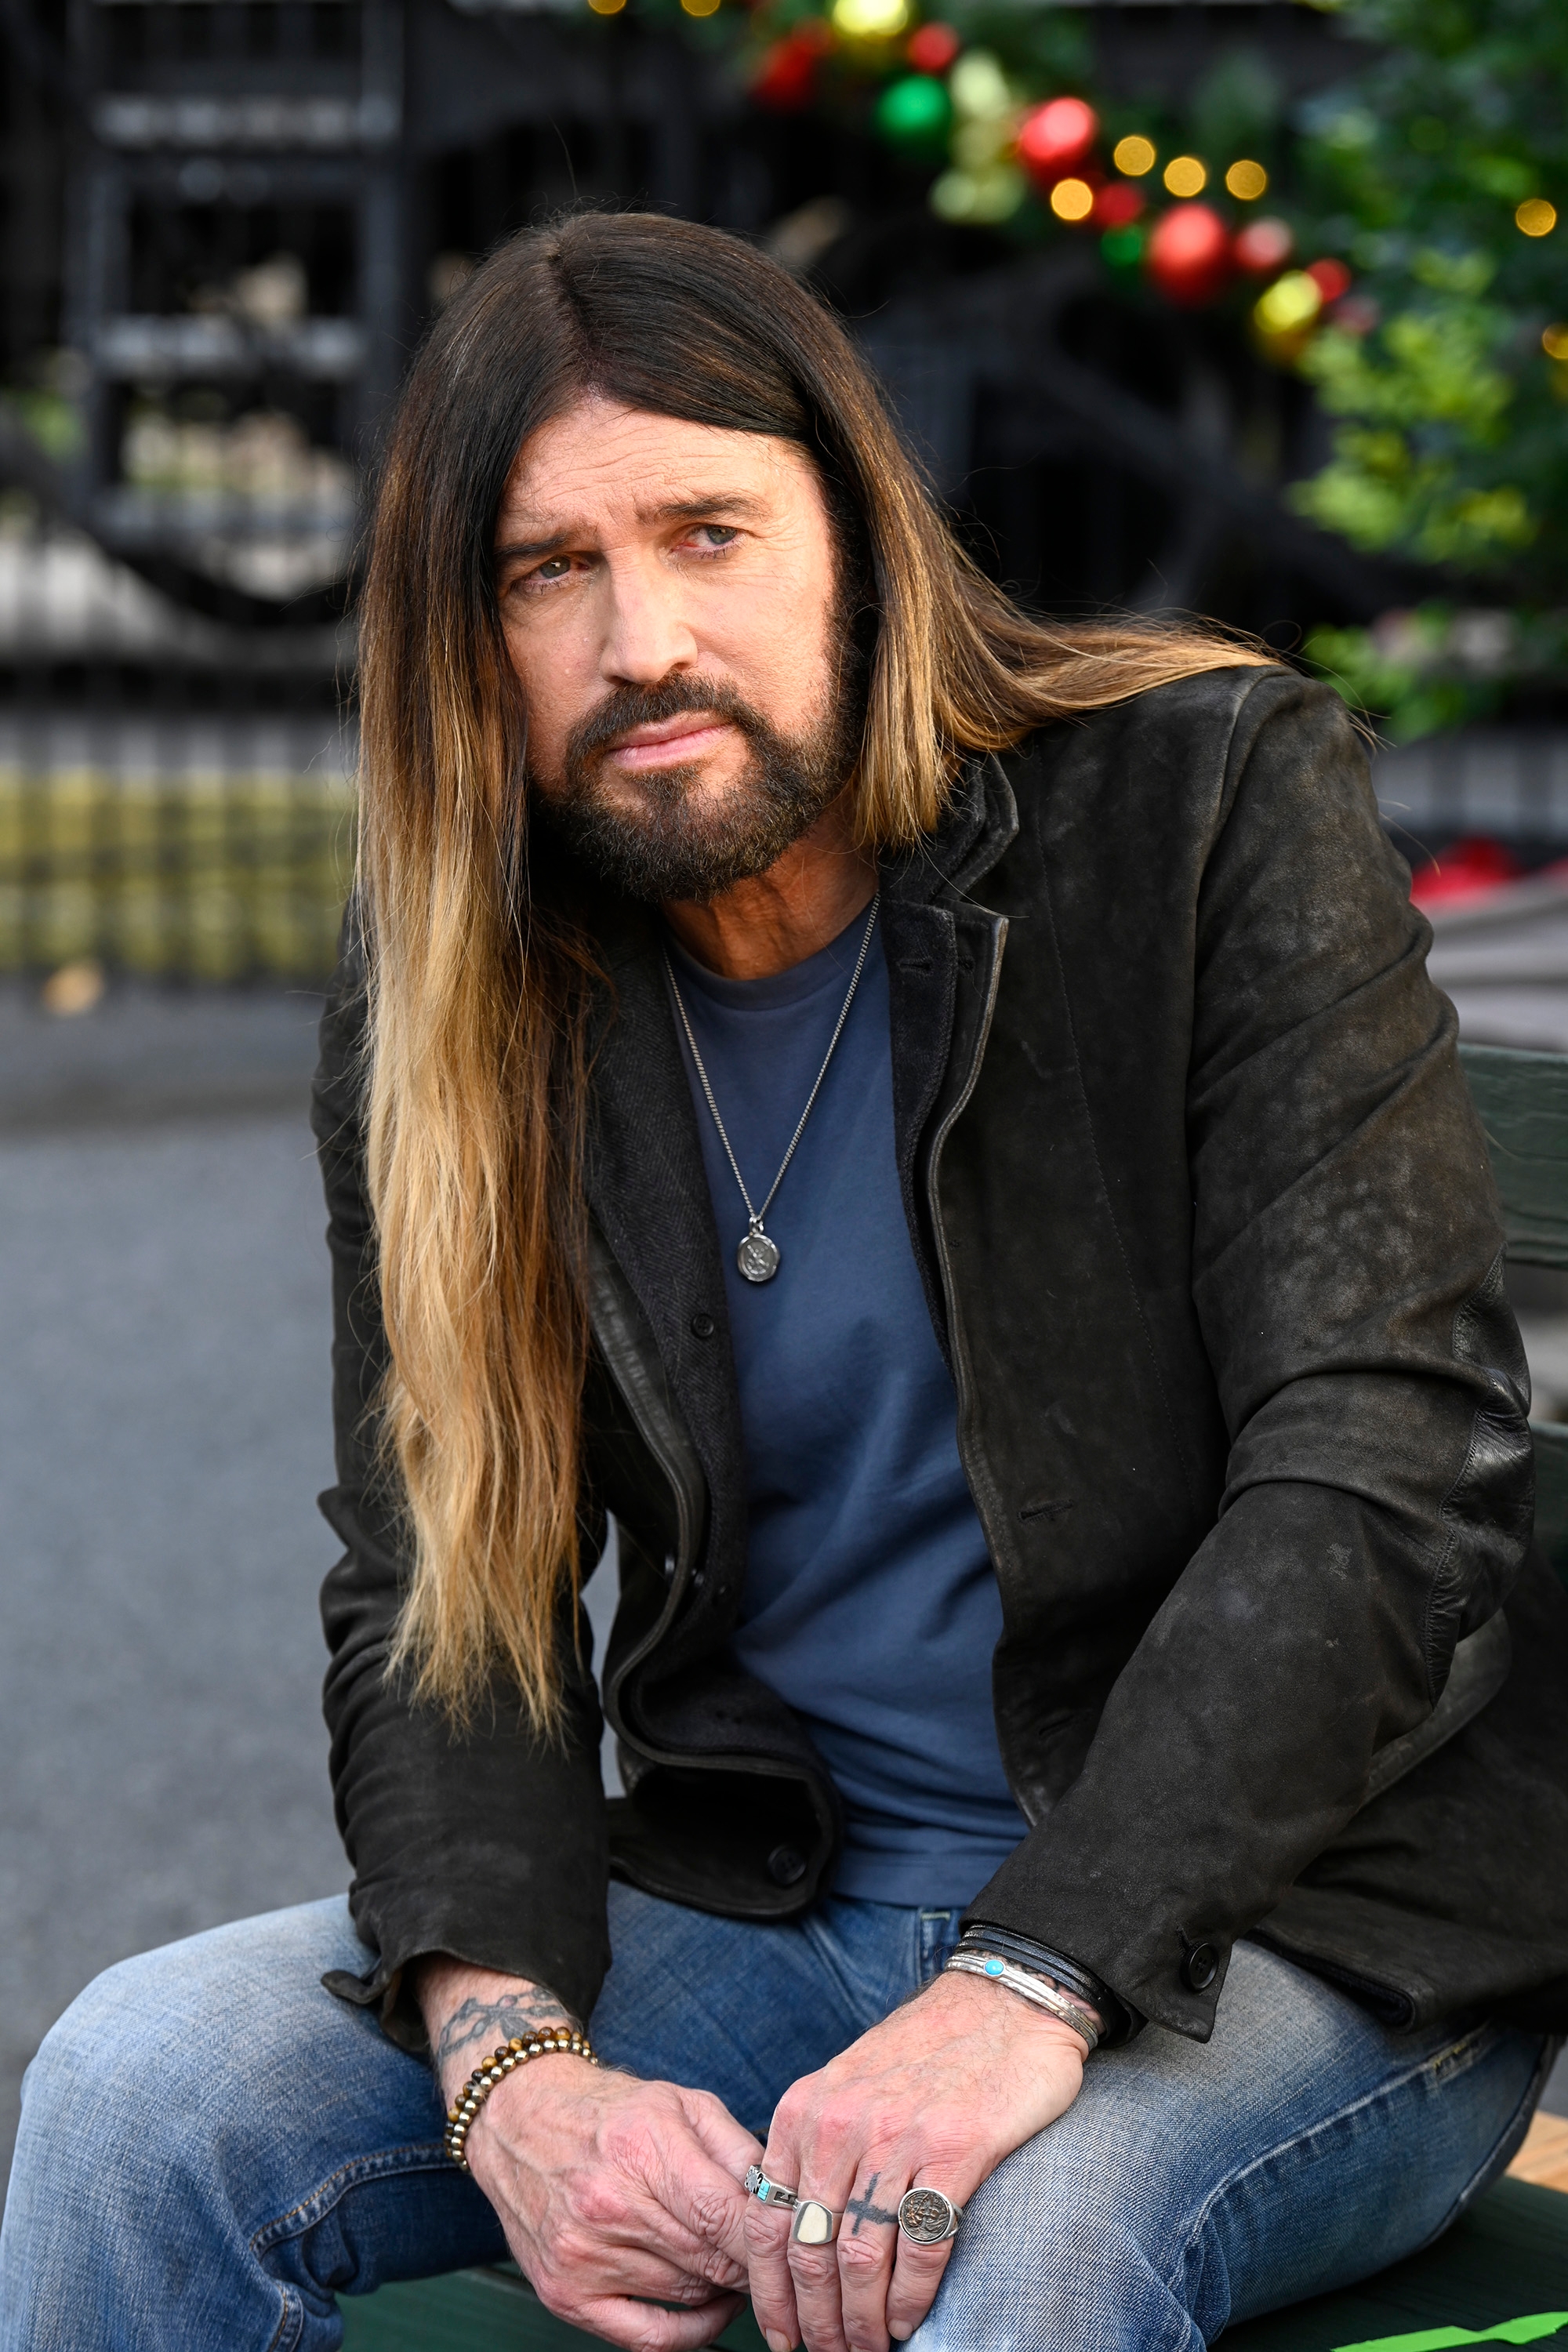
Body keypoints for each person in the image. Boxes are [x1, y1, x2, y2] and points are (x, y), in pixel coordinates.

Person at [4, 211, 1567, 2352]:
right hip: (779, 1903)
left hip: (1293, 1932)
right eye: (548, 570)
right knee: (138, 2091)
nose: (642, 637)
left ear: (857, 537)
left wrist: (1031, 1979)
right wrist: (508, 2059)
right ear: (467, 638)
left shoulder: (1199, 803)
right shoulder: (473, 984)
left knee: (1009, 2234)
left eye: (708, 532)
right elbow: (442, 1584)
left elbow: (1385, 1467)